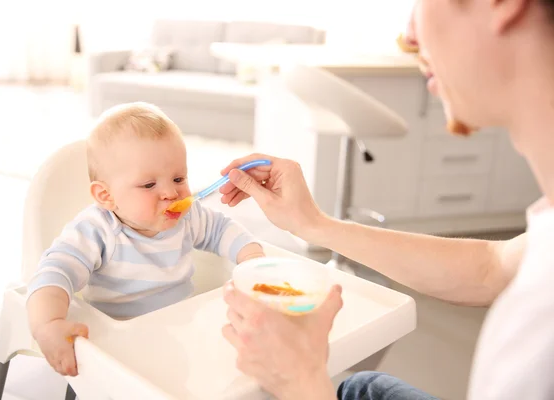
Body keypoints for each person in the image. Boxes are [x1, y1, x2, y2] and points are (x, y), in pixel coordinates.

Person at [218, 0, 554, 398]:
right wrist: (313, 223)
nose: (408, 37)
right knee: (364, 388)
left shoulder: (537, 332)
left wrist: (301, 383)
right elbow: (492, 267)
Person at [25, 102, 265, 377]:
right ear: (106, 196)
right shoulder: (95, 231)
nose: (171, 193)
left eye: (178, 178)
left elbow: (223, 230)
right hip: (120, 346)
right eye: (149, 185)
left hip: (180, 333)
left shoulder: (188, 218)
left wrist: (253, 260)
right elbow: (55, 272)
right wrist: (48, 324)